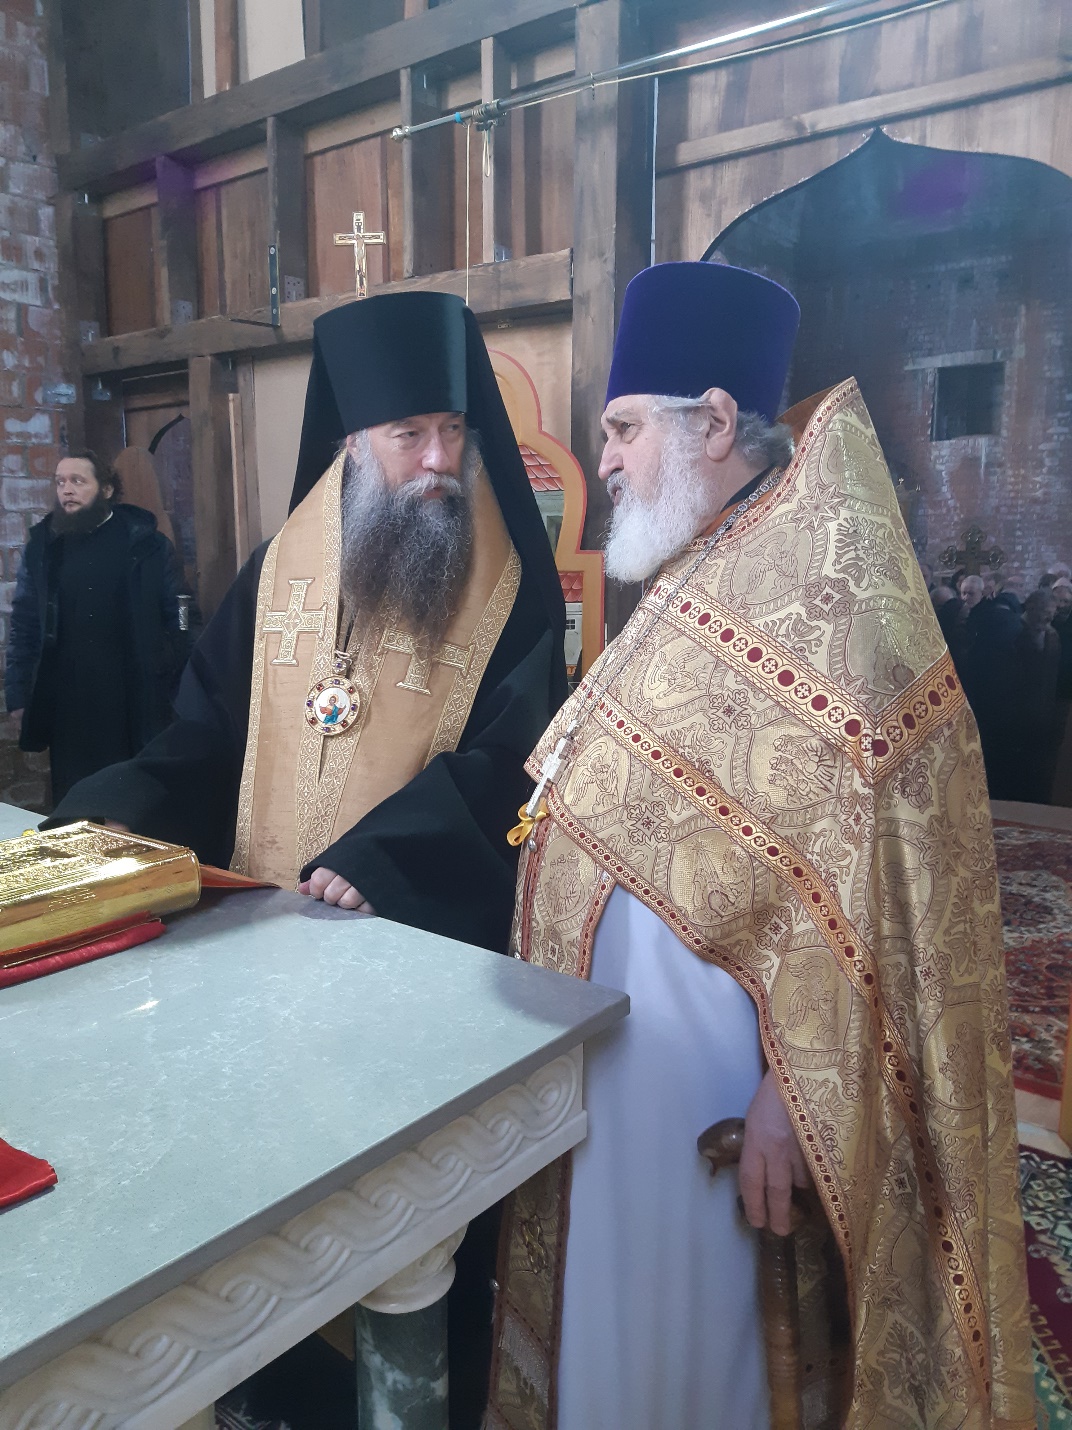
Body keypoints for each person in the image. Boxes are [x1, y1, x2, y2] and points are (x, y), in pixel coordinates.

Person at [487, 262, 1033, 1430]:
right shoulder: (697, 565)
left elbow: (883, 887)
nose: (606, 461)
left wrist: (796, 1088)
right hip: (620, 1072)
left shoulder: (835, 597)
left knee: (701, 1350)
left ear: (716, 422)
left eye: (624, 429)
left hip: (719, 1092)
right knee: (616, 1333)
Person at [47, 292, 568, 1430]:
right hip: (263, 970)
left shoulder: (512, 586)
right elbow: (205, 734)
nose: (438, 461)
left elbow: (521, 767)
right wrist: (109, 812)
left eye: (452, 431)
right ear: (353, 437)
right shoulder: (284, 559)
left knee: (398, 1233)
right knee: (259, 1200)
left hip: (407, 968)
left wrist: (391, 855)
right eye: (409, 435)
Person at [5, 451, 188, 805]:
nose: (67, 490)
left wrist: (177, 675)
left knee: (130, 799)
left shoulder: (145, 544)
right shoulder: (45, 548)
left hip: (132, 694)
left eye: (78, 481)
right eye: (60, 482)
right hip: (68, 700)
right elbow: (25, 623)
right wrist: (18, 693)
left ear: (106, 489)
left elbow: (181, 612)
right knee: (74, 800)